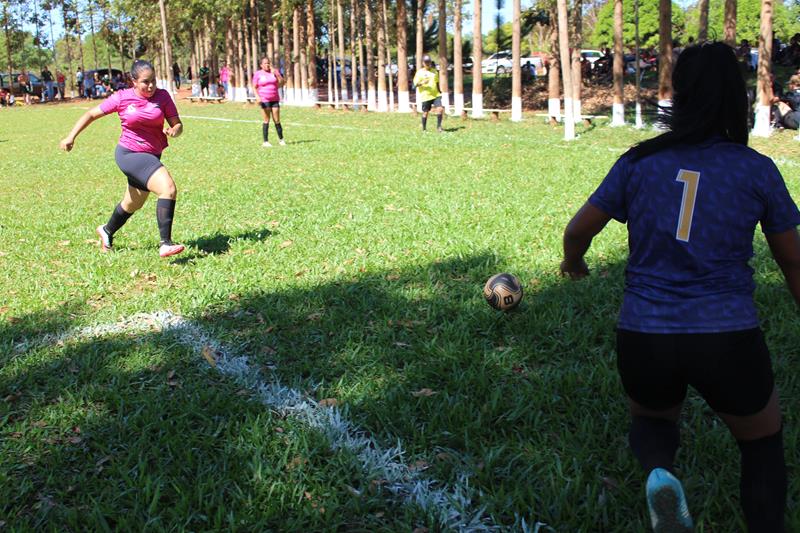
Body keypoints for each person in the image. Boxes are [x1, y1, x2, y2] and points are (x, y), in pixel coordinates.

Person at [560, 42, 799, 532]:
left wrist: (573, 263)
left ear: (681, 95)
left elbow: (579, 229)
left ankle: (660, 474)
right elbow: (792, 260)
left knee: (652, 419)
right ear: (736, 96)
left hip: (645, 333)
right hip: (728, 335)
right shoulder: (756, 170)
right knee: (761, 443)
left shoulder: (638, 162)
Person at [59, 60, 186, 258]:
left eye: (153, 80)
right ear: (133, 81)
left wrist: (174, 130)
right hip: (129, 154)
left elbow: (178, 125)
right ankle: (165, 243)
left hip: (152, 154)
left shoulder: (163, 96)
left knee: (133, 203)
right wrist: (71, 137)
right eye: (145, 82)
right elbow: (92, 114)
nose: (151, 85)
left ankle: (107, 230)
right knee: (168, 188)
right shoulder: (122, 98)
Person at [251, 57, 286, 147]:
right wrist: (257, 97)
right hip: (264, 99)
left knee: (277, 120)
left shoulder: (274, 72)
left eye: (268, 63)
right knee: (266, 120)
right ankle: (265, 141)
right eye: (265, 63)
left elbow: (282, 82)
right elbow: (254, 87)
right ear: (261, 65)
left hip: (274, 99)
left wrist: (277, 74)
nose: (267, 65)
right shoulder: (258, 74)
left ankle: (281, 140)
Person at [412, 55, 443, 133]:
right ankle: (424, 129)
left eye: (428, 62)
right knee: (425, 113)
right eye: (426, 62)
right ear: (423, 63)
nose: (427, 64)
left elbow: (437, 82)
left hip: (436, 95)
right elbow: (414, 85)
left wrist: (439, 90)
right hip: (426, 96)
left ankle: (439, 127)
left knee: (440, 109)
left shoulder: (435, 71)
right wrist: (422, 83)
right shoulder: (419, 73)